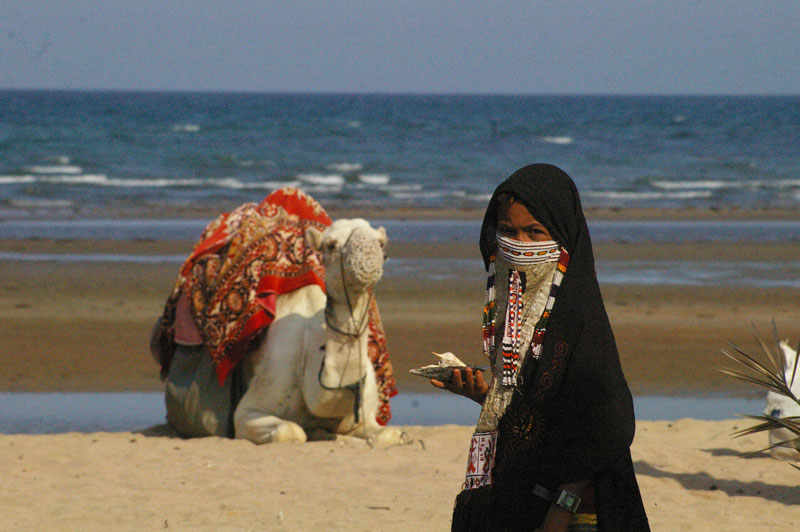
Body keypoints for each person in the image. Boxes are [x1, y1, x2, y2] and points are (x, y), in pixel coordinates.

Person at [431, 164, 649, 531]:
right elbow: (537, 411)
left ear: (563, 235)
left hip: (577, 513)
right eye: (508, 231)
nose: (521, 245)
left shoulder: (575, 312)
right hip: (522, 496)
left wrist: (560, 510)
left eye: (535, 233)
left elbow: (607, 423)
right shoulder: (517, 306)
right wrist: (484, 395)